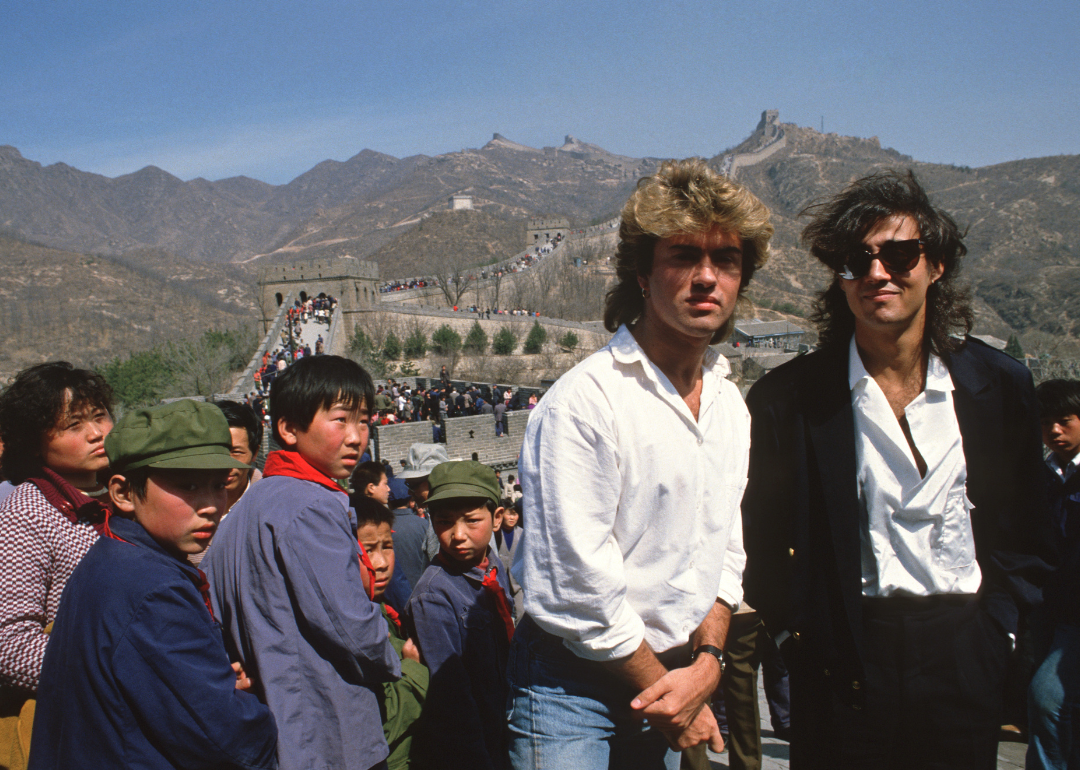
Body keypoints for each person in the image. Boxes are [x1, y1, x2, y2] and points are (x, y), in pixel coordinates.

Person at [741, 170, 1054, 769]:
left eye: (900, 254)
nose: (877, 274)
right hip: (846, 654)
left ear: (936, 265)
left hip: (966, 647)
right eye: (857, 260)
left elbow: (1027, 528)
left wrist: (1001, 630)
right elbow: (759, 535)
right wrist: (796, 640)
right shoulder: (793, 400)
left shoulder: (997, 386)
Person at [510, 158, 773, 768]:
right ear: (643, 273)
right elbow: (578, 588)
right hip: (573, 683)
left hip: (677, 668)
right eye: (683, 256)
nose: (706, 278)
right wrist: (672, 691)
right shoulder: (585, 403)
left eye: (726, 260)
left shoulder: (729, 405)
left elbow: (724, 549)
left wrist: (706, 663)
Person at [28, 399, 278, 770]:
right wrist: (249, 710)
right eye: (189, 485)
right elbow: (229, 738)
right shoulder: (152, 589)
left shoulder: (113, 558)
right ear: (124, 493)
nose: (210, 504)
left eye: (217, 484)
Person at [204, 355, 401, 770]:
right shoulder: (310, 506)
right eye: (340, 420)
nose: (356, 437)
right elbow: (350, 624)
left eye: (363, 421)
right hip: (326, 730)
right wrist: (395, 658)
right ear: (289, 429)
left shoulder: (247, 507)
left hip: (271, 725)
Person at [0, 362, 115, 770]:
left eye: (100, 416)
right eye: (73, 425)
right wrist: (119, 670)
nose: (96, 433)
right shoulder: (27, 513)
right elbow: (11, 644)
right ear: (34, 443)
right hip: (79, 726)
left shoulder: (124, 495)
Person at [404, 461, 514, 770]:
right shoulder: (433, 595)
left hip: (504, 720)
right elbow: (451, 694)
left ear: (496, 519)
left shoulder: (493, 568)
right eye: (444, 521)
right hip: (474, 741)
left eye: (471, 520)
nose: (457, 534)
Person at [353, 496, 430, 770]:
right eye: (369, 550)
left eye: (387, 547)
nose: (382, 562)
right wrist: (414, 670)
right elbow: (379, 725)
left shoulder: (381, 609)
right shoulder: (351, 626)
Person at [1028, 379, 1080, 770]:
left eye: (1065, 421)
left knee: (1048, 696)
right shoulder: (1043, 474)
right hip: (1049, 608)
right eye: (1047, 423)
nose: (1055, 432)